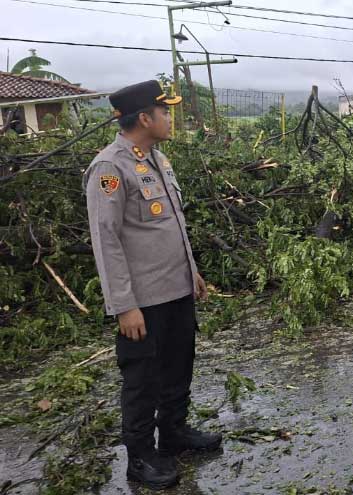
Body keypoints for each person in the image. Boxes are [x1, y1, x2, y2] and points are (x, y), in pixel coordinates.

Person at [84, 80, 221, 490]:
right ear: (144, 118)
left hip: (175, 288)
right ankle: (141, 457)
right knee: (143, 380)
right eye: (164, 112)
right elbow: (106, 240)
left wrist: (191, 272)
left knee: (179, 366)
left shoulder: (157, 159)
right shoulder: (110, 168)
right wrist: (124, 306)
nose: (169, 118)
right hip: (142, 301)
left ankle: (174, 433)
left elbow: (171, 224)